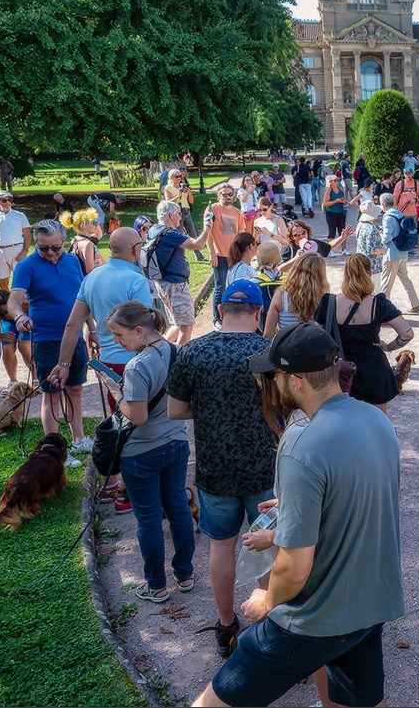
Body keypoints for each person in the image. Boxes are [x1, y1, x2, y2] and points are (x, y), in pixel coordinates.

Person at [193, 323, 403, 708]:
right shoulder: (377, 421)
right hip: (369, 608)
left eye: (272, 376)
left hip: (315, 618)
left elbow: (293, 569)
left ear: (295, 381)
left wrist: (268, 599)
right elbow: (355, 503)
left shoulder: (300, 446)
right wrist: (294, 508)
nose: (268, 385)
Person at [166, 279, 278, 657]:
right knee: (270, 545)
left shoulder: (192, 352)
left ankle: (226, 624)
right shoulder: (269, 352)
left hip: (215, 468)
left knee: (221, 546)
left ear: (218, 311)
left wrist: (213, 410)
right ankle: (272, 621)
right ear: (259, 313)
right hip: (265, 468)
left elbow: (176, 410)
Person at [99, 302, 193, 605]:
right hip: (176, 444)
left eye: (119, 334)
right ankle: (185, 573)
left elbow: (136, 416)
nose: (116, 340)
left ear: (139, 331)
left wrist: (117, 394)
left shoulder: (136, 367)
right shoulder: (174, 350)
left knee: (149, 519)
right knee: (178, 508)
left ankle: (156, 585)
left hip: (142, 452)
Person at [51, 226, 154, 501]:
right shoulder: (136, 280)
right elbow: (145, 328)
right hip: (137, 361)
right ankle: (128, 491)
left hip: (108, 362)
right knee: (142, 425)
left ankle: (110, 483)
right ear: (135, 250)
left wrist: (63, 362)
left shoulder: (93, 277)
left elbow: (73, 323)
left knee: (117, 421)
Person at [7, 219, 91, 467]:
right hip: (46, 338)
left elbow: (83, 298)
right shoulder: (27, 265)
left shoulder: (73, 261)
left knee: (75, 389)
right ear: (36, 243)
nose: (51, 253)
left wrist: (93, 329)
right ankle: (54, 449)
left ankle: (78, 438)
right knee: (52, 394)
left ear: (64, 241)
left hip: (75, 336)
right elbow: (14, 301)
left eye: (56, 247)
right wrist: (20, 316)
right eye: (44, 248)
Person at [320, 254, 413, 412]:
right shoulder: (379, 303)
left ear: (346, 274)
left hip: (341, 369)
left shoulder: (329, 303)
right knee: (377, 422)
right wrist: (389, 347)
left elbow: (319, 337)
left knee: (344, 419)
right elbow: (407, 333)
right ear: (369, 274)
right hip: (373, 367)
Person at [146, 201, 212, 346]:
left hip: (163, 283)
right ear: (171, 215)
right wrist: (208, 225)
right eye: (179, 214)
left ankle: (157, 350)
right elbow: (198, 245)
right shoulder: (170, 234)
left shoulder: (154, 230)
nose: (180, 218)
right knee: (186, 325)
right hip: (175, 285)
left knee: (177, 324)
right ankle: (178, 360)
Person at [264, 252, 328, 338]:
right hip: (314, 347)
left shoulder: (281, 296)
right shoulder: (324, 299)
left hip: (286, 348)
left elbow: (268, 334)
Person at [379, 193, 419, 312]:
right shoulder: (398, 213)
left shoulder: (387, 216)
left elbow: (387, 237)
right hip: (402, 251)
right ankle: (415, 303)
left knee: (386, 282)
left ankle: (383, 309)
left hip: (391, 253)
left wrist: (381, 235)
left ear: (383, 204)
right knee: (405, 279)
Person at [0, 190, 31, 290]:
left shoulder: (20, 216)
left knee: (22, 280)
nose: (8, 202)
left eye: (10, 200)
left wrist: (24, 251)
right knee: (2, 282)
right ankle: (6, 304)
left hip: (17, 250)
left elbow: (27, 235)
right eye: (4, 200)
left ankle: (24, 304)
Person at [207, 186, 244, 320]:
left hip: (234, 256)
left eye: (230, 194)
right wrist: (212, 253)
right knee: (220, 287)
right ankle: (217, 318)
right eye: (224, 194)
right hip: (219, 256)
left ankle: (232, 315)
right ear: (219, 196)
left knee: (235, 286)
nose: (228, 197)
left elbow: (240, 235)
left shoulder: (238, 212)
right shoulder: (213, 210)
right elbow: (208, 234)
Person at [65, 207, 104, 276]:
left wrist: (96, 223)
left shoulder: (77, 239)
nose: (96, 225)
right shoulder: (87, 244)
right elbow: (90, 270)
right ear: (83, 225)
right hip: (94, 280)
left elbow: (100, 234)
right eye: (93, 222)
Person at [353, 200, 386, 280]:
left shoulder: (360, 225)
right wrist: (383, 250)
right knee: (375, 290)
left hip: (362, 262)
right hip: (372, 266)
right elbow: (372, 249)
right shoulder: (371, 229)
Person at [321, 174, 348, 248]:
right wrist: (336, 201)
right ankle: (330, 249)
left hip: (341, 213)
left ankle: (344, 249)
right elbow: (325, 203)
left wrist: (344, 202)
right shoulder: (328, 191)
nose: (337, 182)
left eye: (338, 180)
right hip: (331, 213)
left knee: (342, 232)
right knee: (332, 232)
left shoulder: (341, 190)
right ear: (331, 182)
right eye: (335, 180)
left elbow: (345, 200)